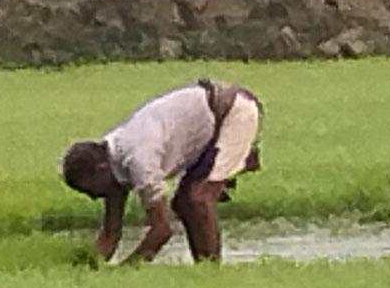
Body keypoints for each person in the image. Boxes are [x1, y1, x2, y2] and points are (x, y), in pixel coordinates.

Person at [60, 79, 264, 266]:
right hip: (204, 128)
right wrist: (87, 268)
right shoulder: (112, 162)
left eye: (88, 189)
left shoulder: (139, 161)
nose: (93, 197)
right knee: (182, 203)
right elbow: (110, 234)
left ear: (100, 169)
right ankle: (204, 268)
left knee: (197, 199)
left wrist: (127, 271)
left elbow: (162, 230)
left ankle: (211, 272)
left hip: (233, 113)